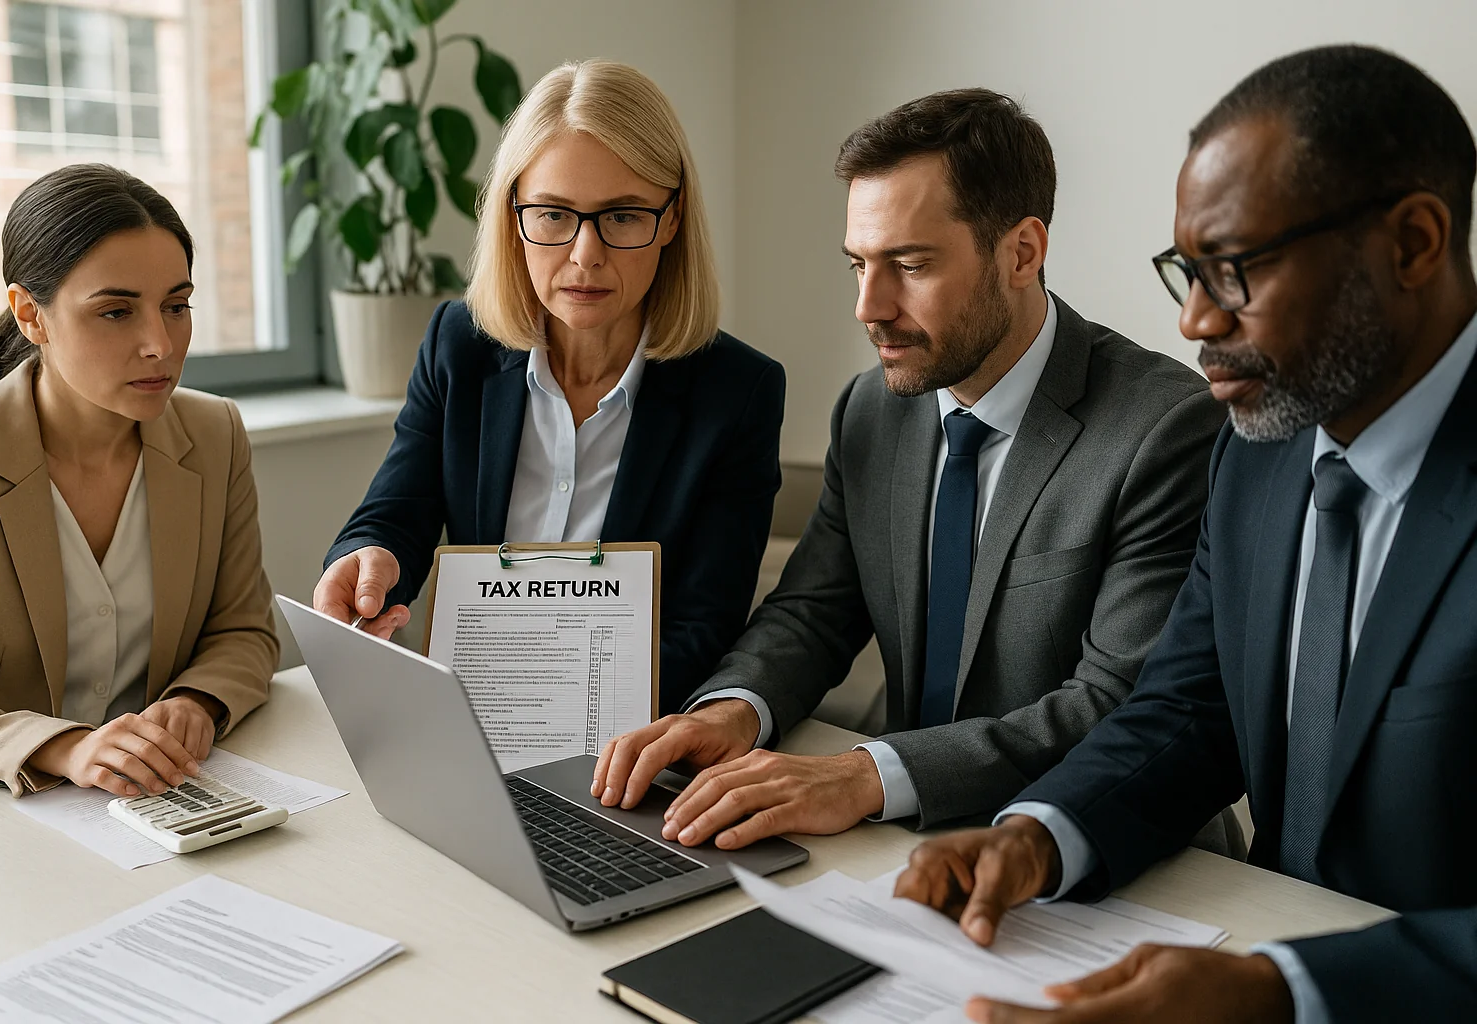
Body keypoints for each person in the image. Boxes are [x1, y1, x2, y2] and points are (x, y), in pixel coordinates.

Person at [895, 45, 1477, 1024]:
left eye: (1235, 269)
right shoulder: (1259, 449)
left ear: (1414, 242)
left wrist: (1282, 992)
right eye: (1186, 271)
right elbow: (1190, 708)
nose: (1196, 321)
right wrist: (1041, 835)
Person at [592, 89, 1227, 849]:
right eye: (859, 264)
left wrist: (863, 775)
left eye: (910, 264)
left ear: (1023, 252)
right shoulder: (872, 409)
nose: (869, 305)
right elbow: (812, 613)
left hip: (1096, 850)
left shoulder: (1163, 429)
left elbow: (1113, 706)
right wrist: (730, 710)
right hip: (901, 840)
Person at [315, 60, 785, 711]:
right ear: (514, 218)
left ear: (671, 220)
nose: (585, 254)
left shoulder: (738, 392)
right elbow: (397, 512)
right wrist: (370, 558)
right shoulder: (459, 346)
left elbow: (704, 631)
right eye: (554, 214)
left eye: (622, 217)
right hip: (467, 727)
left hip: (628, 737)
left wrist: (538, 696)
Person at [0, 164, 278, 799]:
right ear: (30, 316)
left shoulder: (215, 434)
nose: (160, 343)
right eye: (117, 311)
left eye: (177, 306)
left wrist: (197, 702)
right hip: (6, 810)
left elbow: (243, 630)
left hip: (172, 794)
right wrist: (69, 748)